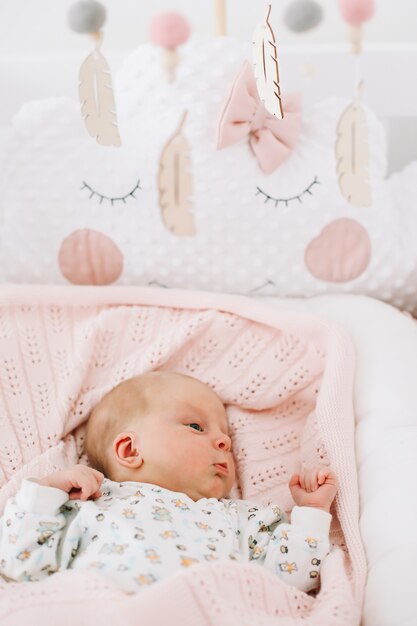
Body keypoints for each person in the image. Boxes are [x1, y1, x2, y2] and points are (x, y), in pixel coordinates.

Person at [0, 371, 338, 594]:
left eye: (227, 436)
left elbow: (293, 577)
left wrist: (312, 511)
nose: (224, 442)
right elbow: (20, 563)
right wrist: (46, 492)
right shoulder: (91, 501)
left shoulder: (242, 518)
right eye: (196, 427)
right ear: (130, 449)